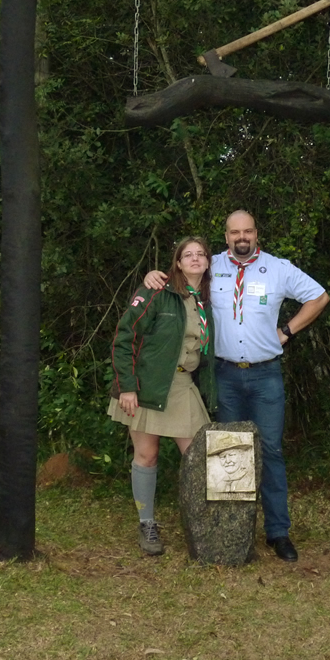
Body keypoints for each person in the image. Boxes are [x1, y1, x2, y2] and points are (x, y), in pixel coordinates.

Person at [144, 211, 329, 562]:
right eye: (234, 232)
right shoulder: (211, 266)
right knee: (229, 453)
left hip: (265, 375)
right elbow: (178, 279)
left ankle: (278, 532)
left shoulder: (278, 268)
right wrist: (153, 275)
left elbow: (319, 297)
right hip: (225, 375)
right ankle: (231, 531)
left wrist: (286, 332)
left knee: (270, 451)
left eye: (247, 231)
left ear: (256, 234)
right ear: (226, 236)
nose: (241, 237)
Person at [109, 236, 217, 556]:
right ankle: (147, 523)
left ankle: (203, 523)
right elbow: (125, 337)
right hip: (148, 384)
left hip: (183, 385)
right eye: (188, 254)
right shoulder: (157, 291)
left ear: (208, 262)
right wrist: (127, 386)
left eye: (201, 254)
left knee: (198, 456)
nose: (195, 258)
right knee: (147, 455)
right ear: (178, 262)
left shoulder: (210, 299)